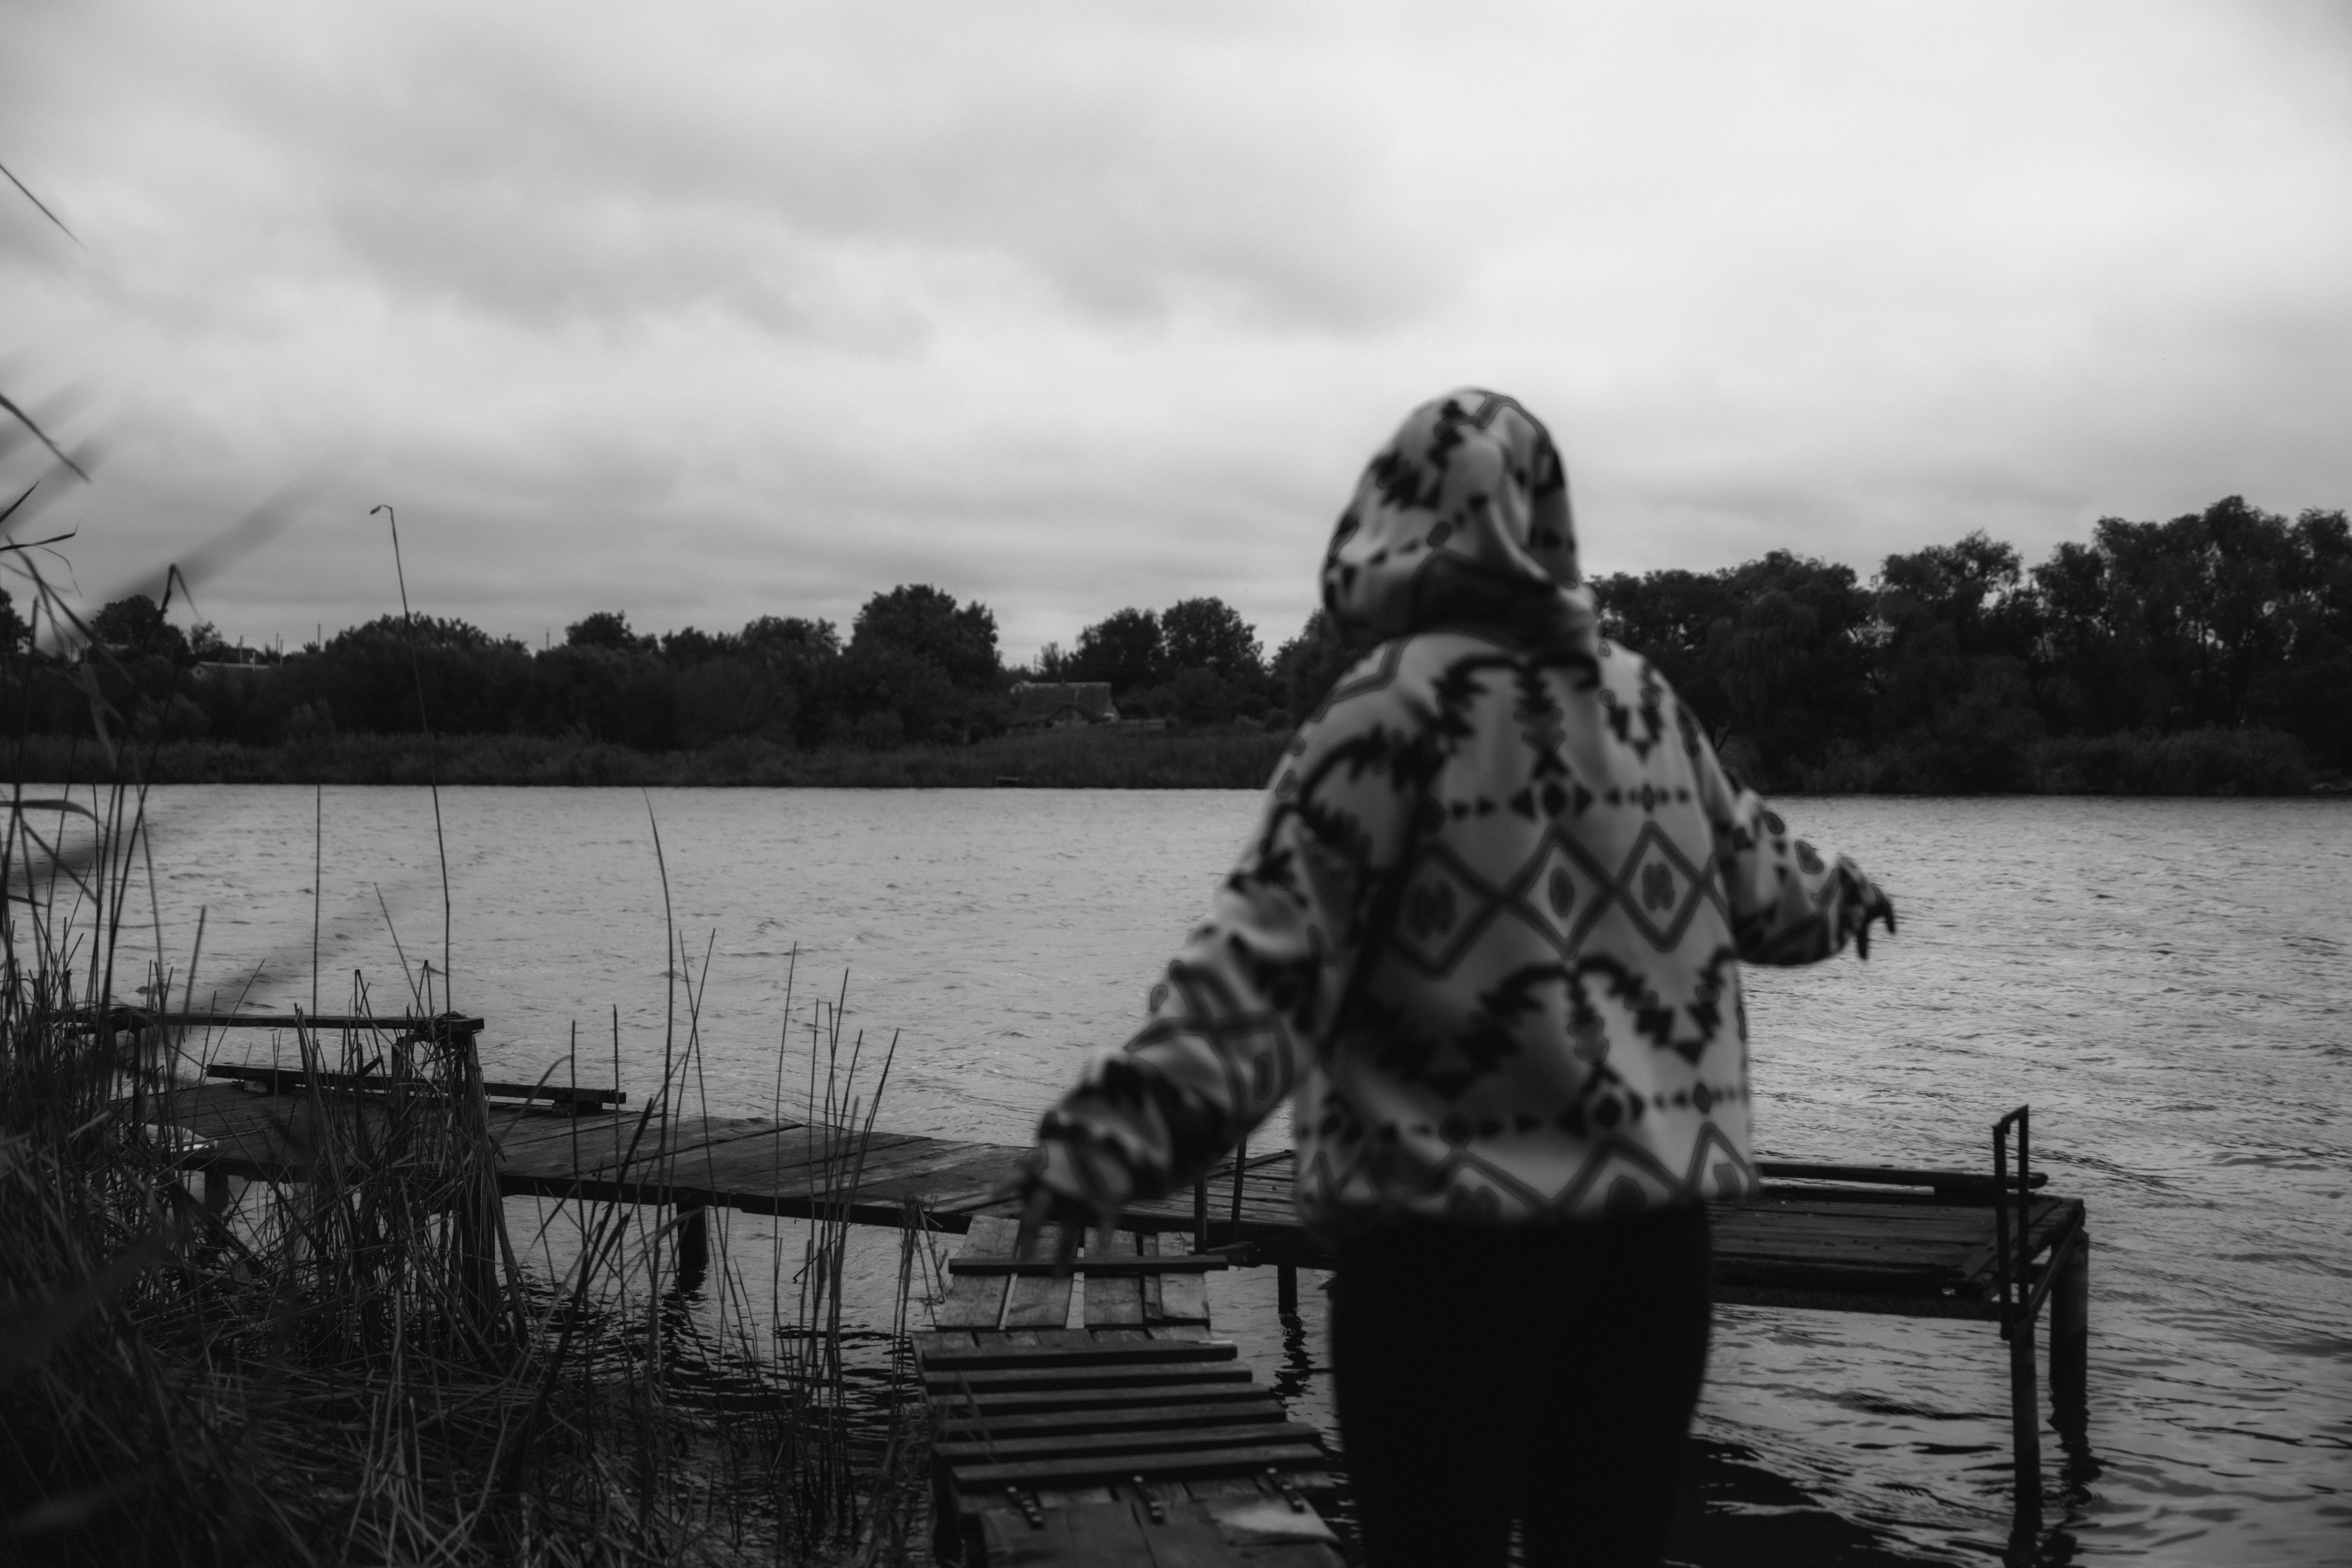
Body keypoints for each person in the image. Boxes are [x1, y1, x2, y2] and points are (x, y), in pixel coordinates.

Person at [1005, 388, 1895, 1566]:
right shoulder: (1648, 705)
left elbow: (1263, 974)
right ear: (1547, 521)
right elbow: (1769, 891)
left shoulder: (1388, 712)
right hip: (1650, 1254)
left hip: (1443, 1263)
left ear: (1391, 521)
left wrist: (1102, 1144)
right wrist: (1846, 895)